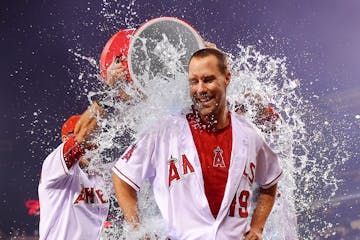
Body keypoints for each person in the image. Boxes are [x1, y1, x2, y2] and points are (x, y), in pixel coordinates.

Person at [111, 48, 282, 239]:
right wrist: (138, 230)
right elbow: (122, 176)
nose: (200, 89)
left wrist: (257, 227)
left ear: (226, 79)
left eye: (208, 80)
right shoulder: (164, 131)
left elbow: (270, 181)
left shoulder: (250, 135)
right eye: (194, 81)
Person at [38, 115, 109, 240]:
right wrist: (103, 103)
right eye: (89, 135)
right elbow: (80, 141)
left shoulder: (100, 174)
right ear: (65, 139)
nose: (92, 142)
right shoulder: (53, 166)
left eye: (96, 136)